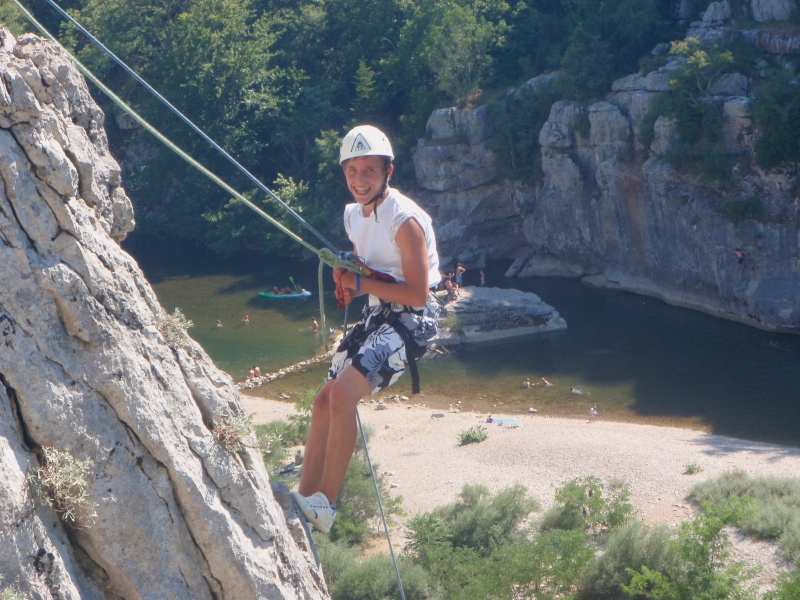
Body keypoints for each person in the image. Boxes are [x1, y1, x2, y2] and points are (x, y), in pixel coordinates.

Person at [292, 125, 440, 534]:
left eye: (369, 171)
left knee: (342, 394)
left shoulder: (404, 219)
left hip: (414, 318)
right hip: (381, 311)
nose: (360, 180)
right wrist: (351, 276)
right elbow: (373, 267)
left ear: (387, 171)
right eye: (352, 171)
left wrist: (359, 284)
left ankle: (327, 503)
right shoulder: (353, 215)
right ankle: (305, 494)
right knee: (324, 400)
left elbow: (417, 293)